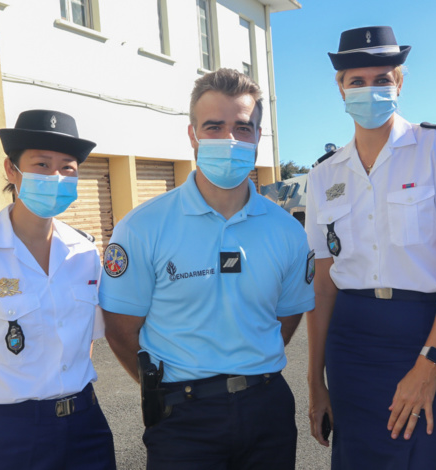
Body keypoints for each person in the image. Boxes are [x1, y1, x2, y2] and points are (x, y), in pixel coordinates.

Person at [100, 68, 314, 470]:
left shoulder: (286, 230)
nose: (229, 139)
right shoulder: (143, 226)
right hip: (182, 417)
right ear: (192, 135)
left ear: (257, 137)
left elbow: (287, 316)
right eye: (213, 126)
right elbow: (119, 328)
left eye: (242, 127)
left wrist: (249, 367)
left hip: (267, 408)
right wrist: (162, 391)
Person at [305, 26, 436, 469]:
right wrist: (315, 381)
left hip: (424, 333)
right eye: (357, 81)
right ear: (340, 87)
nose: (370, 90)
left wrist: (429, 365)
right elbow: (324, 284)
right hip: (350, 342)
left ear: (400, 83)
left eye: (382, 80)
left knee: (422, 456)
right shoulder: (324, 175)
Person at [0, 110, 116, 469]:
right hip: (10, 431)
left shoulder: (85, 252)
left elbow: (81, 341)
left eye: (67, 168)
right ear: (12, 171)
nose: (56, 177)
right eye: (42, 164)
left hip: (86, 425)